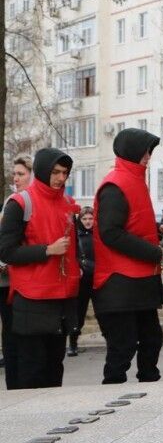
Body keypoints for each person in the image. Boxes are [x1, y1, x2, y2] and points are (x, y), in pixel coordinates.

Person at [92, 129, 163, 384]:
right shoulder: (115, 185)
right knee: (123, 347)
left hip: (141, 279)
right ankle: (112, 394)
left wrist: (157, 231)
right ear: (132, 151)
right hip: (119, 282)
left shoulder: (136, 180)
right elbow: (110, 233)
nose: (148, 156)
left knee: (152, 340)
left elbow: (133, 225)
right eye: (146, 151)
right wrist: (152, 251)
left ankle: (150, 388)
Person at [0, 148, 80, 389]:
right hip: (32, 298)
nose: (60, 178)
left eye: (64, 173)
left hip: (62, 297)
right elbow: (6, 252)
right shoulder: (20, 202)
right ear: (43, 170)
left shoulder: (67, 202)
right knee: (31, 372)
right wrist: (46, 250)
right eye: (55, 172)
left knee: (55, 370)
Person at [1, 156, 33, 387]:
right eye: (15, 174)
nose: (16, 178)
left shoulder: (32, 203)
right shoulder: (10, 203)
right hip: (6, 282)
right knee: (11, 336)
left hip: (26, 280)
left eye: (21, 174)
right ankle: (15, 386)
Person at [68, 206, 95, 357]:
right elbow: (74, 255)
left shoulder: (99, 235)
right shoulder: (76, 236)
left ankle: (111, 340)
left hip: (97, 277)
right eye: (84, 219)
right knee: (79, 312)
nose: (88, 222)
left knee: (104, 312)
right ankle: (73, 342)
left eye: (90, 219)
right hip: (82, 278)